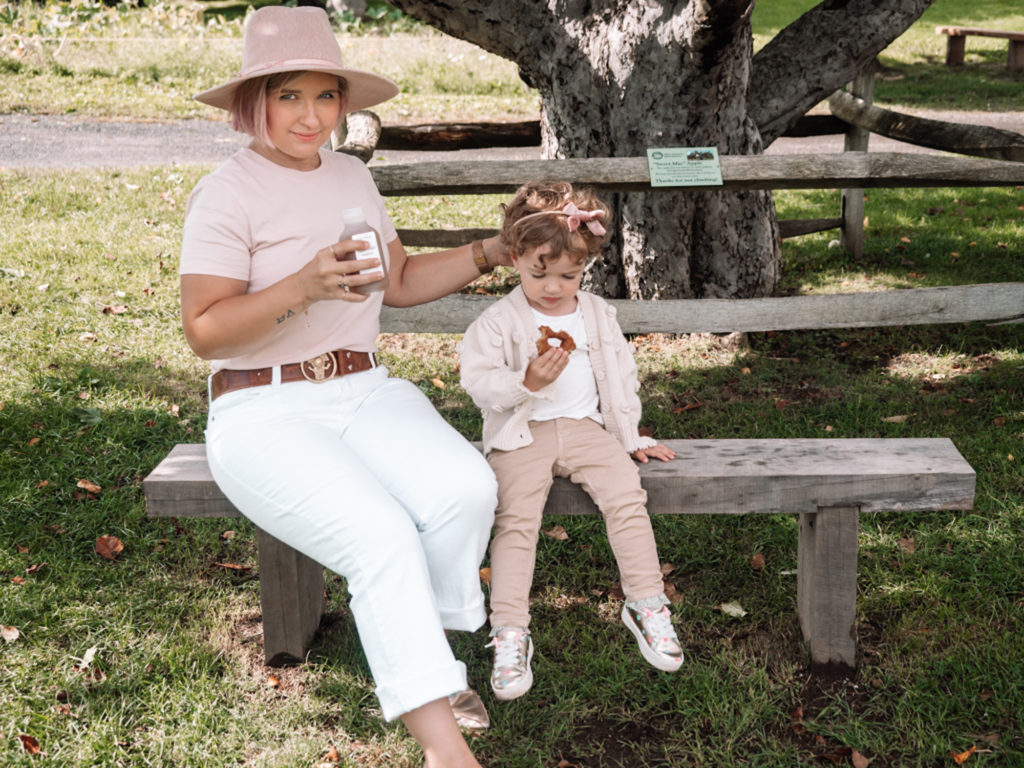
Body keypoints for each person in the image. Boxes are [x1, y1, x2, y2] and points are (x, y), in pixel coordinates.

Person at [178, 7, 505, 767]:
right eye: (288, 95)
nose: (309, 115)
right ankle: (445, 748)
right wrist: (303, 285)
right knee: (381, 536)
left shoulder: (352, 174)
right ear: (250, 100)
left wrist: (493, 249)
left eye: (325, 97)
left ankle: (429, 654)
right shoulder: (226, 194)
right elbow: (204, 331)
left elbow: (397, 280)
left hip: (362, 391)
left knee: (464, 489)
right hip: (261, 408)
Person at [458, 181, 684, 702]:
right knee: (516, 522)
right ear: (515, 257)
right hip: (523, 433)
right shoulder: (500, 322)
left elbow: (621, 377)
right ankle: (511, 630)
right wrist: (525, 383)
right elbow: (477, 381)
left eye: (570, 274)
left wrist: (629, 436)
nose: (555, 286)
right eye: (540, 272)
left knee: (627, 496)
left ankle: (646, 603)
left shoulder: (597, 315)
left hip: (587, 430)